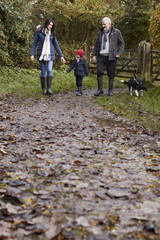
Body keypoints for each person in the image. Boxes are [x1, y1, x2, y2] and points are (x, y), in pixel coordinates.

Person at [30, 18, 66, 95]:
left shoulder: (52, 33)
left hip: (50, 54)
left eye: (52, 25)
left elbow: (56, 45)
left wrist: (61, 56)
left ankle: (49, 89)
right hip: (41, 54)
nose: (50, 26)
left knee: (49, 70)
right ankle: (44, 89)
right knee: (43, 72)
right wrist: (32, 54)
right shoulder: (39, 31)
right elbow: (35, 43)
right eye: (49, 25)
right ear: (46, 24)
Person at [93, 17, 125, 96]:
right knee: (99, 72)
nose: (103, 26)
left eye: (105, 24)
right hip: (101, 56)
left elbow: (122, 43)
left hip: (111, 56)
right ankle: (100, 90)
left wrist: (119, 53)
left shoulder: (116, 32)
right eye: (102, 24)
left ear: (109, 24)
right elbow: (96, 44)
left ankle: (110, 91)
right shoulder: (99, 32)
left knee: (111, 74)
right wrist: (94, 55)